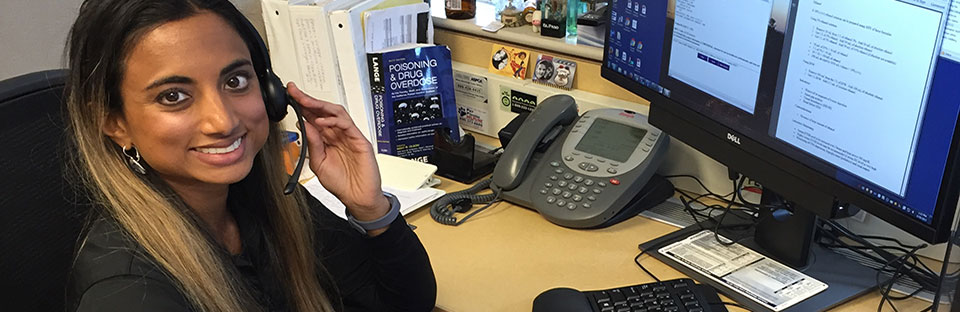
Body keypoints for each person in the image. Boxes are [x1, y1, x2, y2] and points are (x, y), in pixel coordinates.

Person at [63, 0, 436, 311]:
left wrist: (370, 209)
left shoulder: (258, 198)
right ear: (115, 123)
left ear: (272, 93)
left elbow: (401, 304)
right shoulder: (130, 292)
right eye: (173, 96)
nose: (222, 121)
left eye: (235, 81)